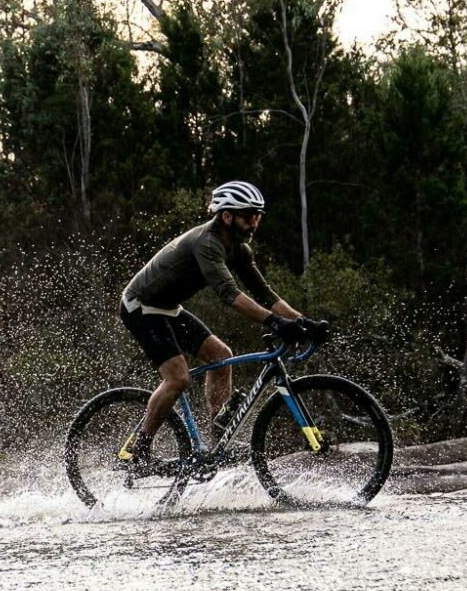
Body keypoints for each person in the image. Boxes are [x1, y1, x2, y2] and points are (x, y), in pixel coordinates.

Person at [116, 180, 318, 463]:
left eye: (258, 216)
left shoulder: (239, 248)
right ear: (227, 216)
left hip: (168, 308)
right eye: (249, 216)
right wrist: (274, 322)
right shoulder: (207, 243)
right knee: (178, 378)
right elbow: (230, 295)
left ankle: (217, 442)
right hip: (140, 306)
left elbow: (266, 295)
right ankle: (139, 451)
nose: (255, 223)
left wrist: (304, 322)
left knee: (221, 356)